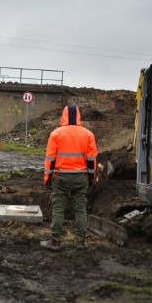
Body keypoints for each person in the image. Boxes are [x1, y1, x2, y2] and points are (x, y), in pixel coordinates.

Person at [40, 105, 98, 252]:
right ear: (78, 116)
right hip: (80, 177)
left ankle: (55, 241)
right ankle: (80, 241)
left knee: (58, 209)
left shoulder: (56, 134)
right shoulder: (88, 134)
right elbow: (91, 160)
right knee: (80, 209)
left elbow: (50, 159)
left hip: (61, 177)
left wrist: (47, 178)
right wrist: (91, 177)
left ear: (64, 115)